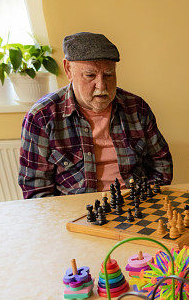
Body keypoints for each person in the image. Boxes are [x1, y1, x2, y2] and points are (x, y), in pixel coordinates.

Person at [18, 32, 172, 198]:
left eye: (108, 74)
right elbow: (36, 189)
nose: (101, 85)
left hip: (136, 205)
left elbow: (161, 164)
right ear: (68, 69)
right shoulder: (41, 117)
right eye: (90, 75)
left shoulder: (136, 108)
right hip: (77, 213)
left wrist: (148, 201)